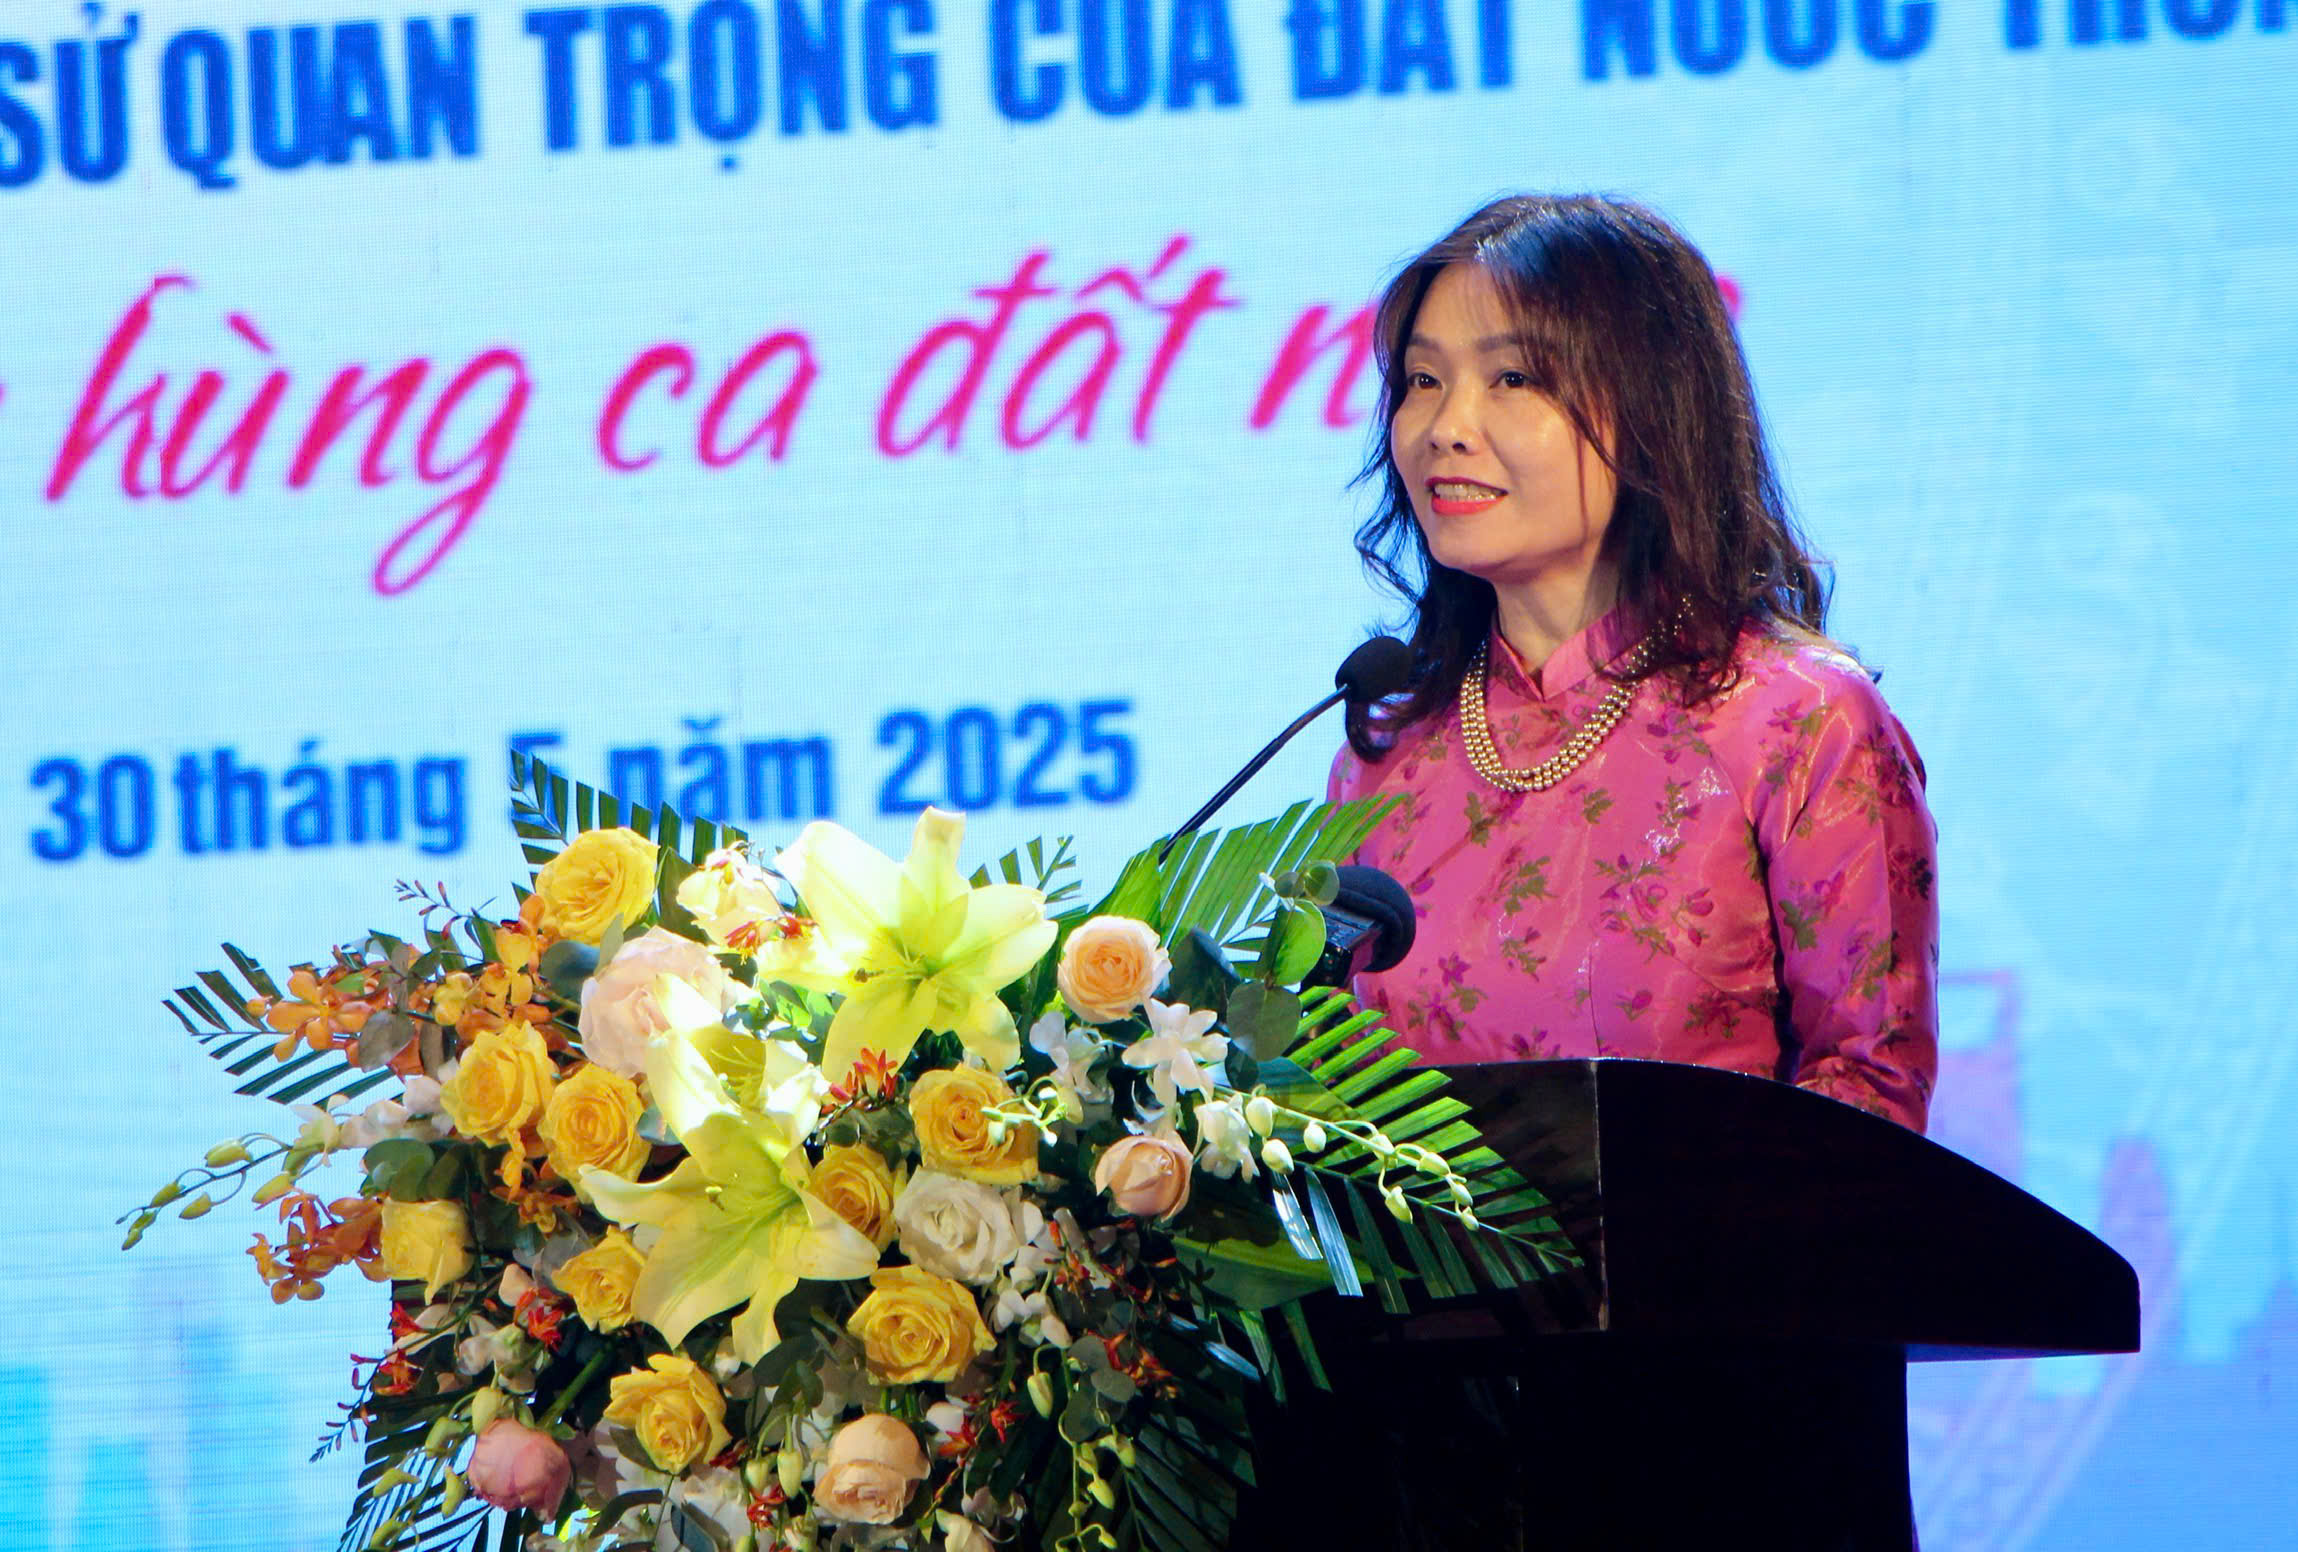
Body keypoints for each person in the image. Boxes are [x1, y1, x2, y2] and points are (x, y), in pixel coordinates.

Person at [1327, 193, 1938, 1133]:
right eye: (1422, 380)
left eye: (1513, 378)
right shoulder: (1389, 750)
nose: (1446, 425)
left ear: (1653, 409)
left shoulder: (1799, 721)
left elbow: (1870, 1085)